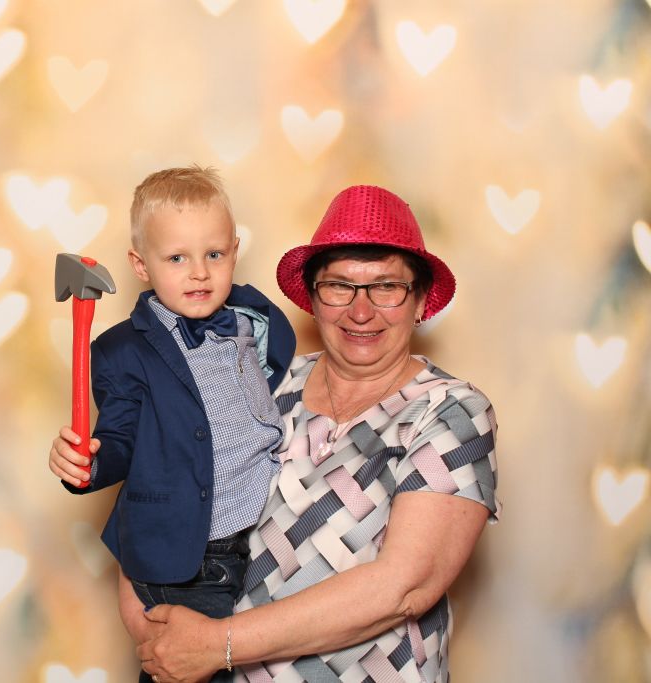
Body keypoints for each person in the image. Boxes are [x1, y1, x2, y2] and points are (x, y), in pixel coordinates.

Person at [131, 184, 501, 683]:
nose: (361, 311)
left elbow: (404, 587)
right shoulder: (262, 381)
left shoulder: (452, 411)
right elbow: (163, 492)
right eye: (339, 286)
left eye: (386, 287)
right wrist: (101, 454)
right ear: (312, 299)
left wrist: (218, 645)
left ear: (419, 302)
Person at [48, 165, 296, 682]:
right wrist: (87, 464)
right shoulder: (123, 352)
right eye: (177, 258)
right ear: (141, 265)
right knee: (188, 666)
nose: (199, 272)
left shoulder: (252, 322)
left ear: (235, 251)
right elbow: (119, 438)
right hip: (191, 559)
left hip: (260, 545)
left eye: (214, 254)